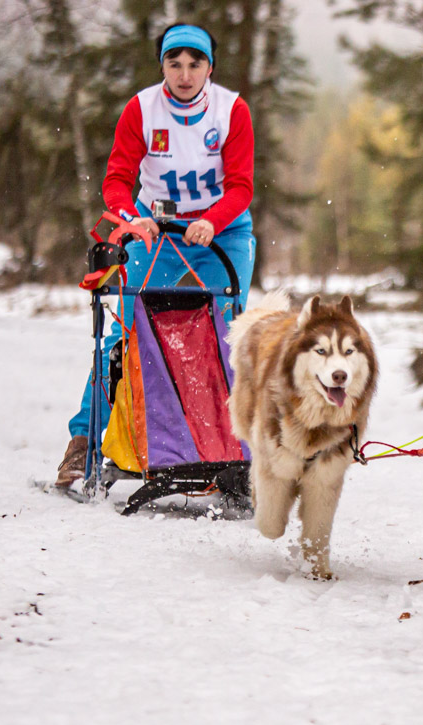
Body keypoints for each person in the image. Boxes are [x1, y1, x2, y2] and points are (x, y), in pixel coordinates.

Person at [55, 22, 256, 488]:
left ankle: (228, 453)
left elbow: (242, 186)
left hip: (218, 233)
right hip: (153, 230)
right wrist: (130, 217)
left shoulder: (232, 110)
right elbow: (116, 179)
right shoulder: (141, 109)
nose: (185, 75)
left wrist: (213, 220)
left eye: (195, 64)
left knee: (228, 338)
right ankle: (82, 443)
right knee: (123, 337)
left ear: (210, 67)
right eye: (174, 64)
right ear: (162, 65)